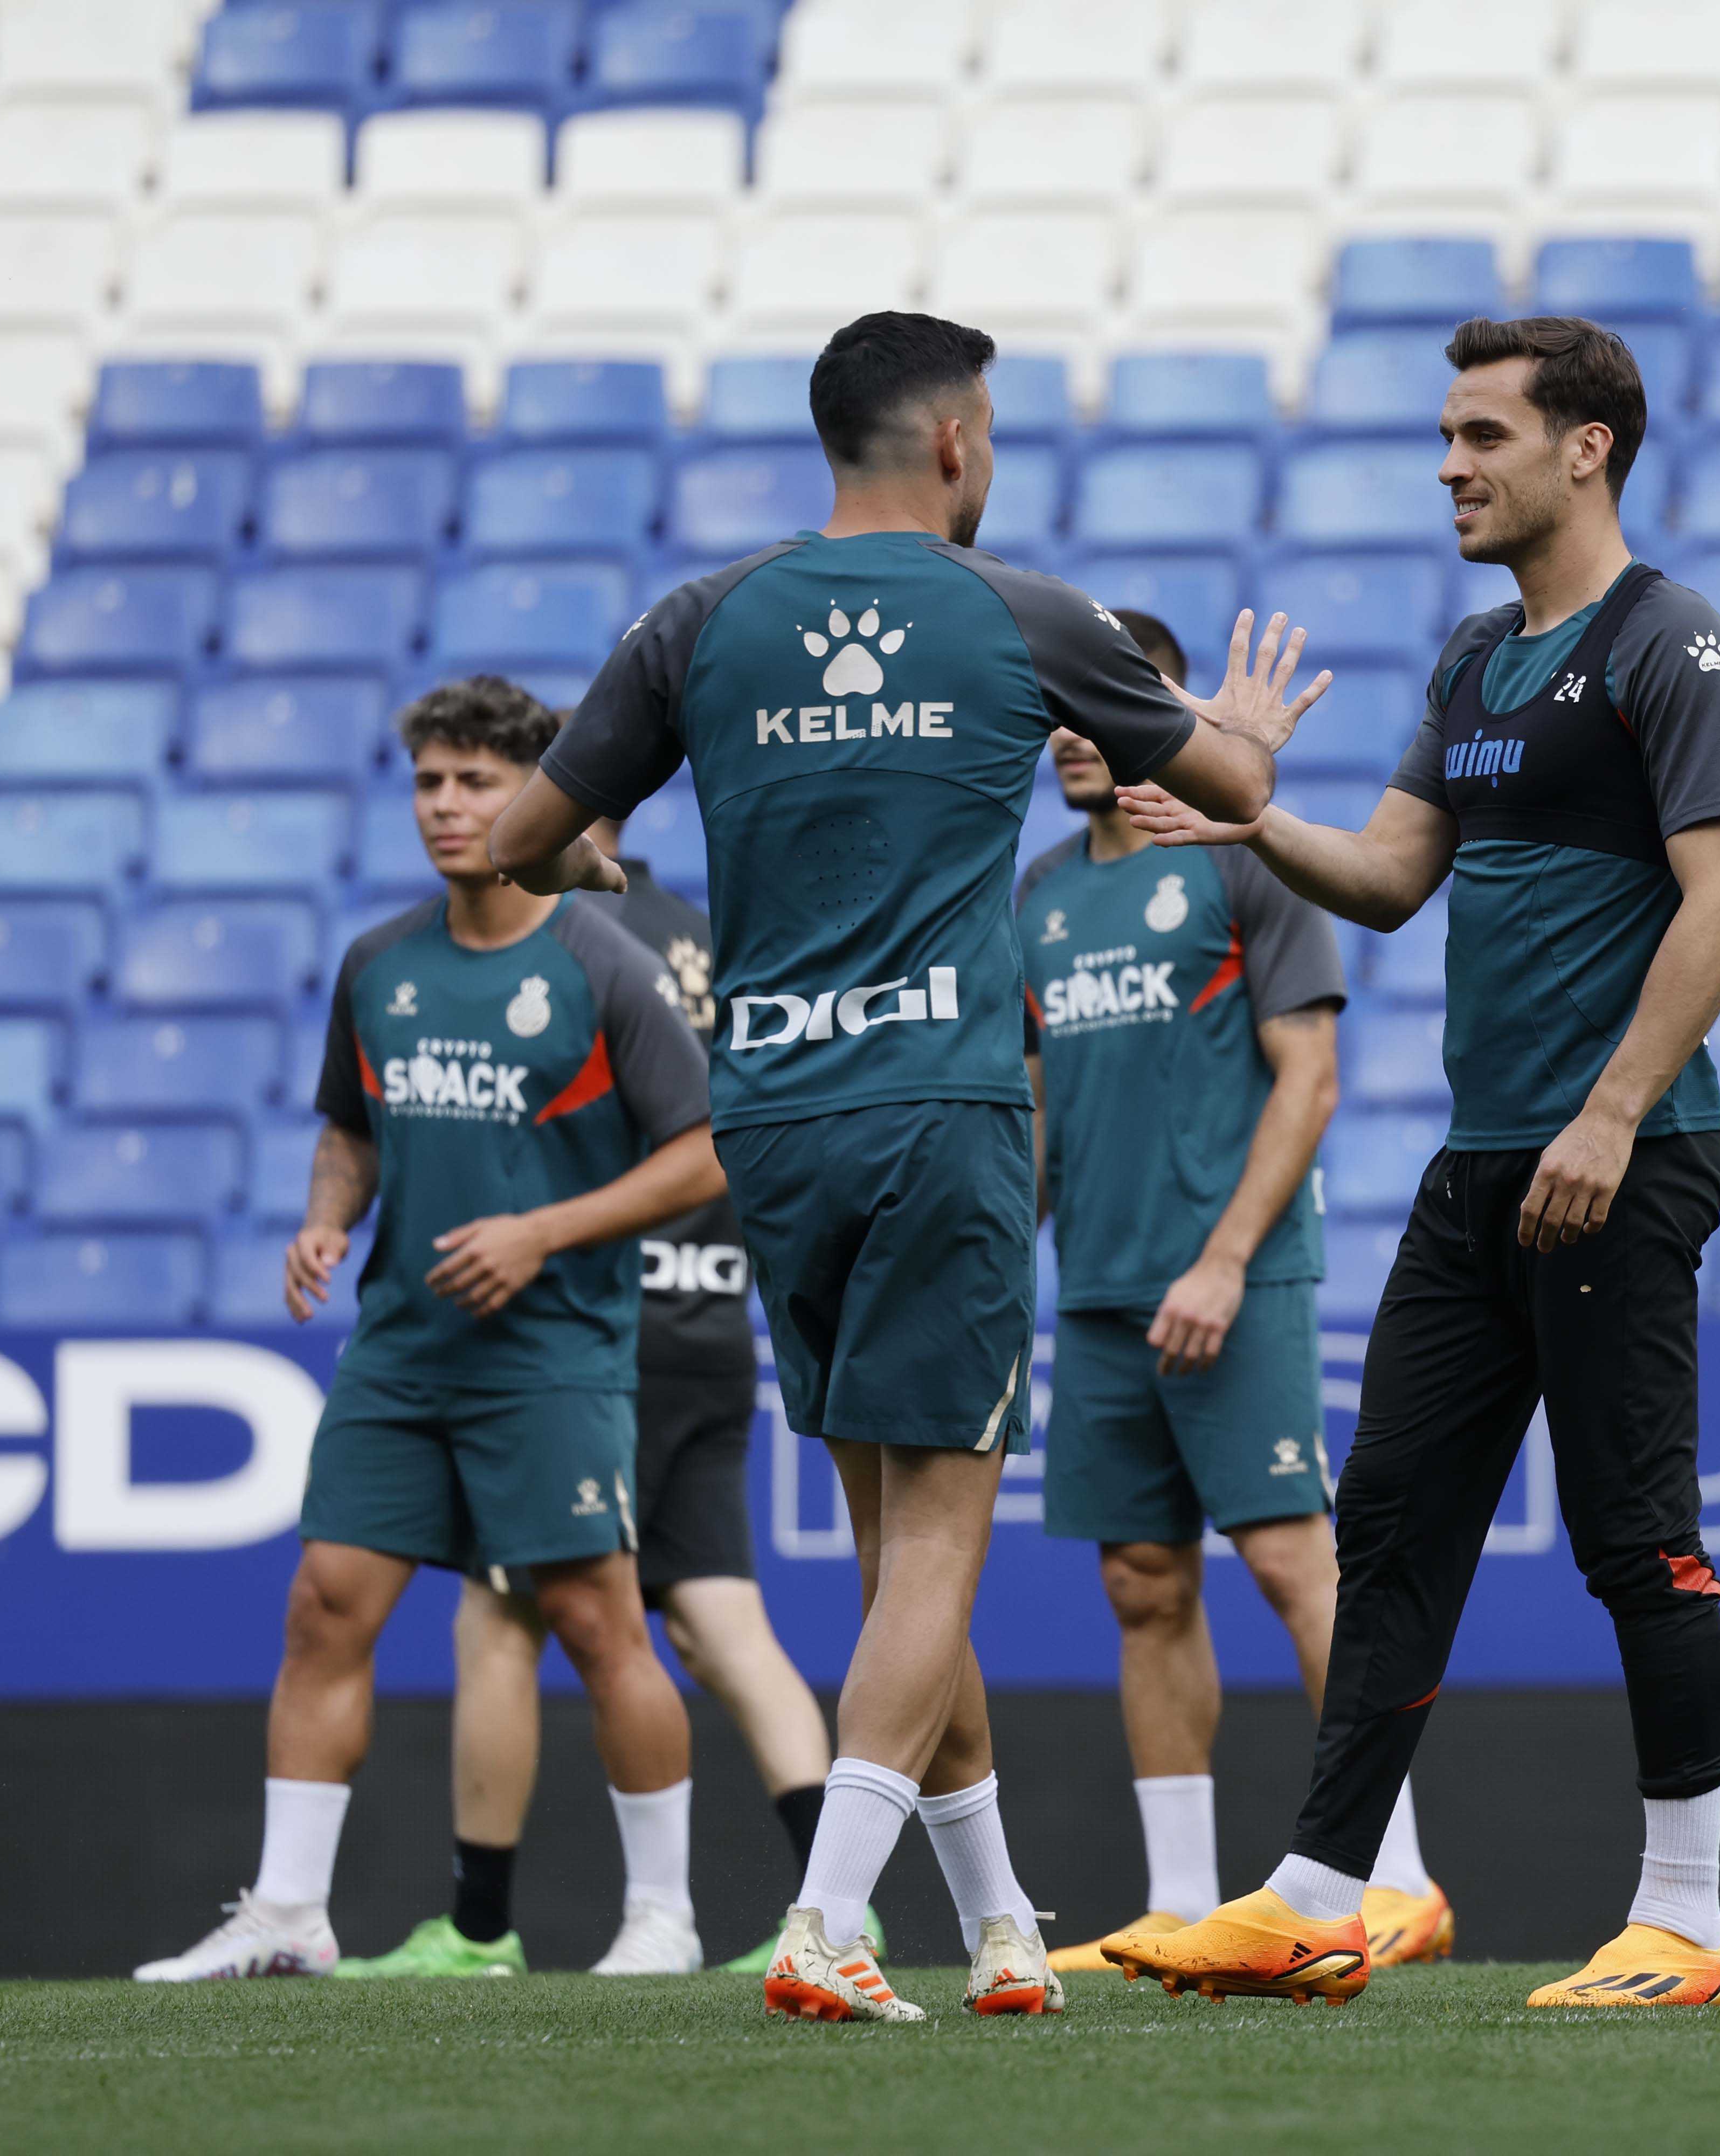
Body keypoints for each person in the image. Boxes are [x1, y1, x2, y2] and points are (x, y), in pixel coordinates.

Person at [488, 311, 1316, 2023]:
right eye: (989, 428)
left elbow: (520, 843)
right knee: (939, 1544)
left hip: (772, 1125)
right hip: (940, 1108)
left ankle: (1001, 1923)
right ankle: (826, 1919)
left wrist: (595, 856)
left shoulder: (697, 621)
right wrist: (1240, 724)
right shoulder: (1023, 610)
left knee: (892, 1556)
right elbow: (1232, 786)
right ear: (954, 442)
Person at [1107, 316, 1720, 2010]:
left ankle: (1684, 1920)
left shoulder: (1673, 642)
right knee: (1390, 1529)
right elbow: (1395, 878)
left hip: (1621, 1158)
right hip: (1481, 1170)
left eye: (1483, 436)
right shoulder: (1474, 657)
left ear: (1586, 449)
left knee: (1637, 1540)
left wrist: (1611, 1112)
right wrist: (1255, 819)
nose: (1451, 466)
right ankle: (1322, 1894)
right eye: (1447, 437)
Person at [135, 680, 722, 1982]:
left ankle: (664, 1915)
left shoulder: (603, 964)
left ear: (538, 794)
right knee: (324, 1606)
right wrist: (324, 1220)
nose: (448, 806)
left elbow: (705, 1153)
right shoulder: (379, 963)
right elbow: (350, 1128)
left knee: (598, 1623)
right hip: (400, 1350)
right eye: (430, 782)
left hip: (553, 1352)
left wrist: (543, 1231)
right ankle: (290, 1911)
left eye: (477, 781)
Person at [339, 778, 857, 1981]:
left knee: (500, 1616)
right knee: (724, 1622)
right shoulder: (715, 939)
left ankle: (484, 1929)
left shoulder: (559, 941)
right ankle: (842, 1905)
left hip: (588, 1322)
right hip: (713, 1316)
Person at [1020, 607, 1453, 1977]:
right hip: (1098, 1291)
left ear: (1167, 715)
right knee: (1142, 1582)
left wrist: (1221, 1259)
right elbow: (1037, 1107)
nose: (1077, 733)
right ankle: (1177, 1896)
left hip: (1238, 1276)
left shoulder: (1242, 858)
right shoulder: (1038, 896)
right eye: (1061, 710)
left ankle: (1397, 1879)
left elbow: (1308, 1079)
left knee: (1289, 1562)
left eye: (1108, 704)